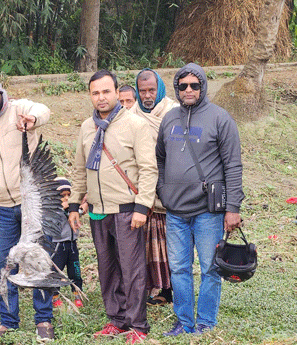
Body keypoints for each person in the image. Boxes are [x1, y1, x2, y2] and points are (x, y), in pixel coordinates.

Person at [67, 70, 157, 344]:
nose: (101, 97)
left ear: (117, 93)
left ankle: (137, 325)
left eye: (106, 91)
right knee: (107, 269)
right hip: (97, 210)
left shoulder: (135, 124)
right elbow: (80, 169)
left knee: (132, 269)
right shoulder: (86, 127)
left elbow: (148, 169)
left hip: (128, 210)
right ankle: (116, 320)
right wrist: (73, 204)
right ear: (90, 96)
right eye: (95, 93)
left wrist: (142, 207)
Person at [156, 63, 244, 336]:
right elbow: (160, 158)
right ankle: (184, 321)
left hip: (208, 211)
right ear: (177, 89)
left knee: (209, 268)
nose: (189, 90)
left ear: (204, 86)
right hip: (175, 212)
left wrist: (233, 208)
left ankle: (205, 323)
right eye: (183, 86)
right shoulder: (169, 118)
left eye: (195, 85)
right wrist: (163, 189)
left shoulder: (220, 118)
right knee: (180, 269)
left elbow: (233, 165)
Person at [0, 66, 55, 344]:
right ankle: (9, 321)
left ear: (1, 92)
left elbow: (45, 111)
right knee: (5, 267)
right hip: (3, 207)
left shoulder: (20, 109)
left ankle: (43, 320)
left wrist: (33, 119)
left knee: (38, 260)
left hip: (31, 202)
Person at [128, 69, 179, 306]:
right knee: (146, 243)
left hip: (170, 187)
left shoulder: (174, 112)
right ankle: (149, 287)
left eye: (151, 90)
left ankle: (170, 289)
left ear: (159, 88)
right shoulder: (131, 114)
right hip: (142, 188)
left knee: (170, 244)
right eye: (142, 90)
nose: (147, 95)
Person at [50, 177, 84, 309]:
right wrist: (60, 209)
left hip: (72, 244)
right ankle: (54, 296)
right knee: (56, 271)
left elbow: (81, 210)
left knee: (75, 270)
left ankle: (77, 294)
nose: (66, 198)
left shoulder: (72, 209)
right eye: (62, 196)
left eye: (68, 195)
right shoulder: (52, 211)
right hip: (58, 245)